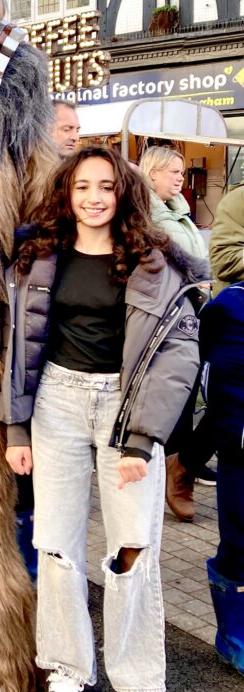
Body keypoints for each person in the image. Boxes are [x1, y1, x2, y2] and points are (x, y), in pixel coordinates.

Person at [1, 146, 205, 692]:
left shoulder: (155, 264)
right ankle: (66, 671)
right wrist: (16, 427)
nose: (94, 197)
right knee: (56, 546)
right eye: (83, 186)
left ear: (125, 194)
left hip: (126, 407)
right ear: (67, 193)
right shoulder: (39, 255)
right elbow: (17, 346)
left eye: (107, 187)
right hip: (56, 404)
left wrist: (144, 440)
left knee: (131, 548)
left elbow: (178, 357)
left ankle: (135, 685)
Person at [139, 146, 212, 522]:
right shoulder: (146, 214)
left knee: (190, 389)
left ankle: (180, 464)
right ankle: (170, 468)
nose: (181, 177)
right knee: (172, 391)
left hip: (193, 310)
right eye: (173, 171)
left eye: (183, 172)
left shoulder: (178, 212)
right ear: (152, 173)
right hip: (165, 315)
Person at [199, 279, 244, 675]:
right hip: (240, 451)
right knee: (240, 543)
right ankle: (234, 638)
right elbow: (215, 382)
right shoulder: (231, 306)